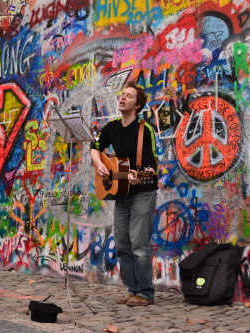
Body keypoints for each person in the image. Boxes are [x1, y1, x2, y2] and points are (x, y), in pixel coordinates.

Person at [90, 81, 158, 307]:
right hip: (121, 192)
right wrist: (99, 164)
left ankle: (146, 293)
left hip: (143, 191)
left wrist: (139, 176)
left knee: (139, 244)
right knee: (121, 244)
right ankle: (133, 290)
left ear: (137, 105)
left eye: (128, 96)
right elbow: (95, 146)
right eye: (121, 95)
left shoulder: (144, 130)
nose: (122, 98)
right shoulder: (112, 127)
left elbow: (151, 167)